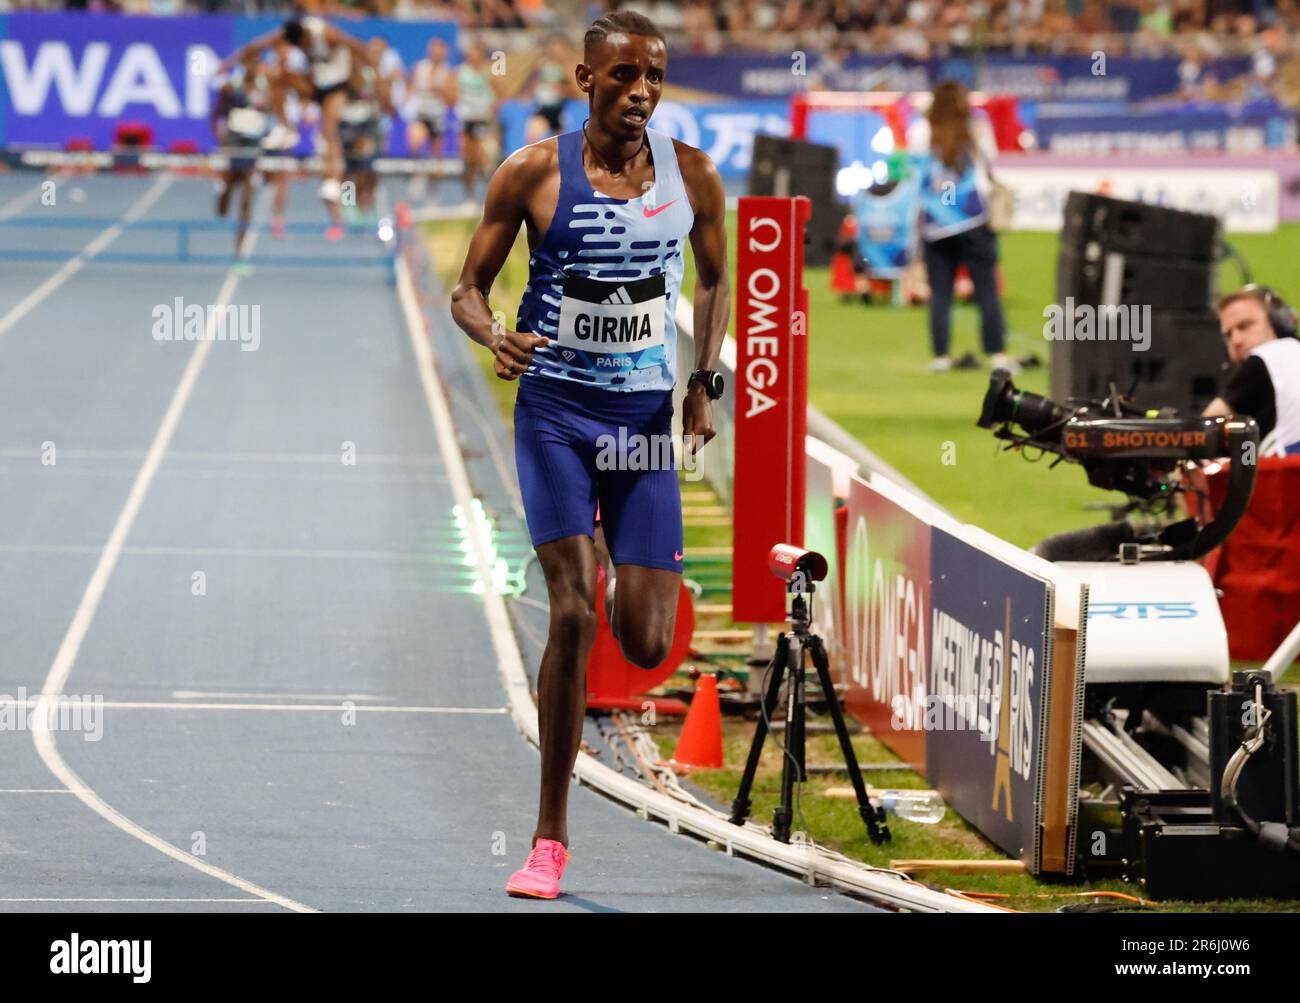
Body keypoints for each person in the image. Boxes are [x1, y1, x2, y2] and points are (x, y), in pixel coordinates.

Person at [449, 10, 728, 901]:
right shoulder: (532, 173)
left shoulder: (694, 177)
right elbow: (465, 289)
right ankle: (549, 840)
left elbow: (717, 277)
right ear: (585, 81)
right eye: (623, 77)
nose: (641, 91)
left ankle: (609, 554)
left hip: (642, 425)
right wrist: (495, 333)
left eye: (654, 76)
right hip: (558, 417)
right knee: (570, 617)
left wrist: (703, 382)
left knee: (645, 641)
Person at [222, 17, 375, 238]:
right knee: (332, 170)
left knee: (357, 172)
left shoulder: (337, 48)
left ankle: (356, 208)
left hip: (355, 124)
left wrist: (366, 77)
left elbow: (356, 49)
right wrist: (227, 64)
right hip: (329, 123)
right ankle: (339, 219)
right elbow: (257, 46)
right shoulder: (309, 78)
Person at [907, 80, 1016, 374]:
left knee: (940, 292)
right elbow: (991, 161)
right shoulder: (976, 127)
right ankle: (997, 354)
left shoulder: (920, 130)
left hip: (935, 221)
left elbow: (915, 173)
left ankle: (941, 355)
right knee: (987, 289)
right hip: (973, 218)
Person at [211, 47, 292, 249]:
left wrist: (284, 133)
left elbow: (281, 114)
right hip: (235, 143)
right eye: (248, 62)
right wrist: (221, 139)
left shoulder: (269, 89)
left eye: (255, 62)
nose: (252, 66)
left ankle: (271, 225)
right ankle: (222, 194)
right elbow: (216, 115)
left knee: (249, 197)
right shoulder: (231, 87)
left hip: (256, 146)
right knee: (226, 199)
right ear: (242, 65)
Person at [1203, 285, 1300, 456]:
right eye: (1228, 335)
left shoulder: (1269, 355)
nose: (1236, 340)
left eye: (1244, 326)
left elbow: (1198, 434)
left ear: (1277, 322)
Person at [452, 39, 503, 203]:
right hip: (466, 118)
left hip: (483, 119)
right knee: (468, 159)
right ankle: (469, 196)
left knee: (486, 157)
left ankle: (490, 193)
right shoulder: (460, 71)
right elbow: (453, 92)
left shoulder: (491, 72)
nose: (471, 56)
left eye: (475, 53)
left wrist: (495, 106)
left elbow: (502, 93)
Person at [523, 37, 578, 144]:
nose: (556, 51)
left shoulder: (568, 68)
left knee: (562, 143)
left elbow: (576, 92)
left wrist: (561, 89)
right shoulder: (541, 65)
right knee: (532, 138)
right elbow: (530, 86)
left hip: (559, 110)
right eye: (554, 48)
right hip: (543, 108)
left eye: (560, 49)